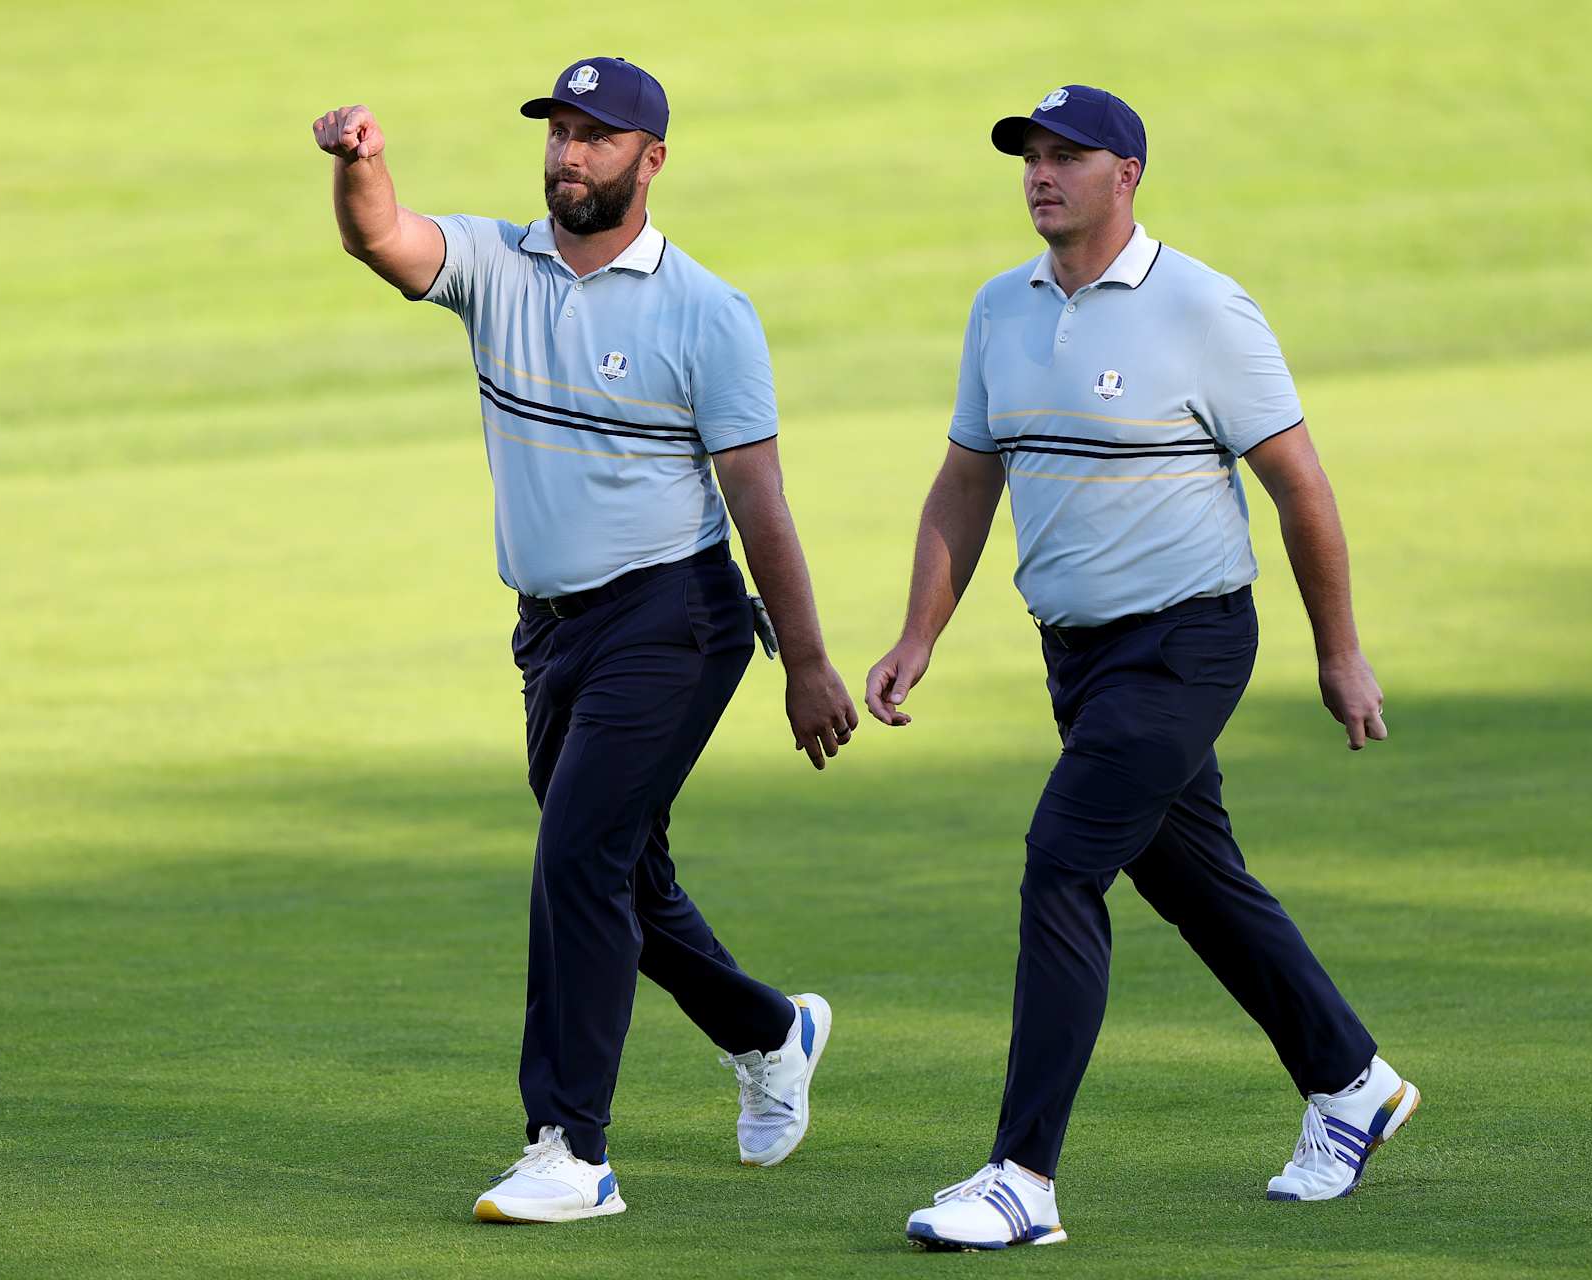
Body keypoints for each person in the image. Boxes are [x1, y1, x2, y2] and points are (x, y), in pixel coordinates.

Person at [867, 85, 1418, 1251]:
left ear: (1128, 175)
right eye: (1029, 154)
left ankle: (1023, 1176)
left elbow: (1301, 489)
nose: (1040, 173)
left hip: (1186, 642)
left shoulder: (1205, 309)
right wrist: (920, 633)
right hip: (1077, 657)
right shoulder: (999, 311)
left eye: (1068, 155)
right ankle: (1351, 1079)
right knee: (1195, 879)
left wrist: (1341, 650)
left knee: (1061, 865)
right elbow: (967, 481)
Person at [310, 56, 857, 1225]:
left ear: (650, 160)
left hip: (676, 618)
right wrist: (363, 166)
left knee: (575, 859)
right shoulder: (497, 264)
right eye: (558, 132)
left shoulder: (707, 312)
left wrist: (806, 661)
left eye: (596, 137)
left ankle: (571, 1148)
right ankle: (772, 1032)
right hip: (552, 635)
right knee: (618, 870)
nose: (568, 154)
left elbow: (759, 501)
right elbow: (385, 241)